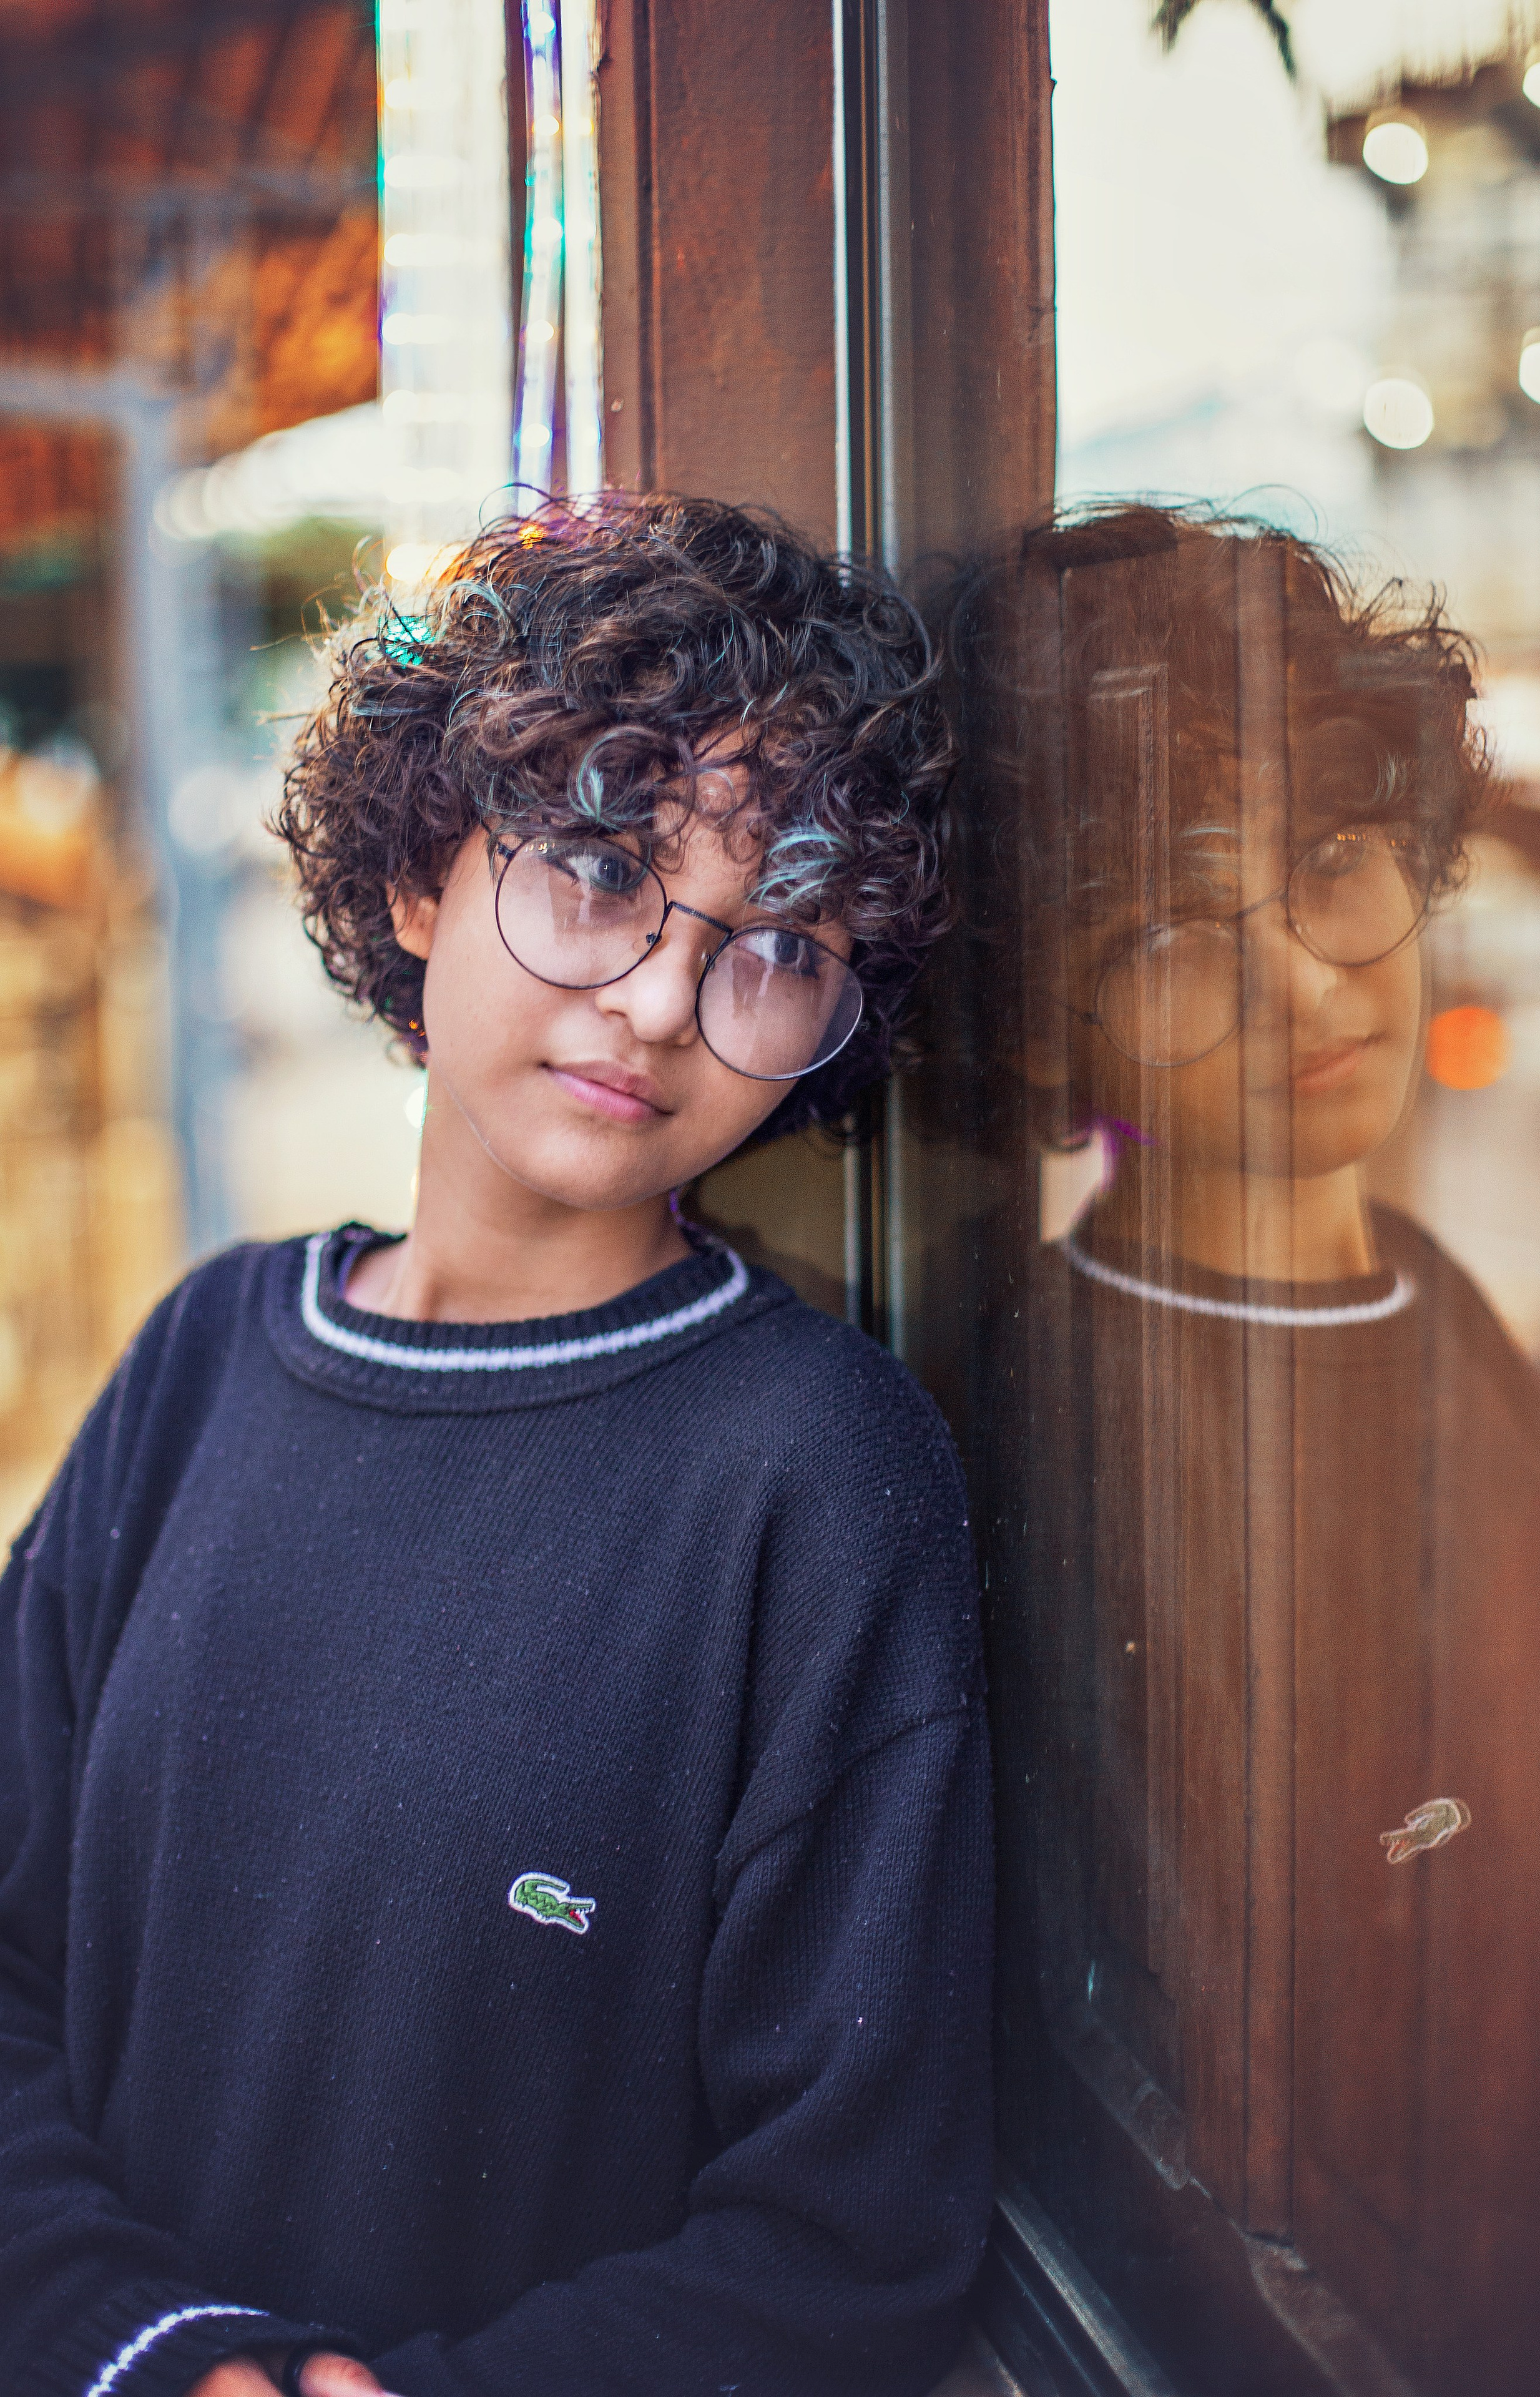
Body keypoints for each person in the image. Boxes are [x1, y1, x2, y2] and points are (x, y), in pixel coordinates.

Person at [0, 496, 993, 2397]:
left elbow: (849, 2236)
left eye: (777, 942)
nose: (659, 1000)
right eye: (603, 870)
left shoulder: (819, 1478)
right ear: (416, 876)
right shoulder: (203, 1360)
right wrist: (149, 2348)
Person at [988, 505, 1540, 2395]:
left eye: (1332, 866)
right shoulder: (1063, 1414)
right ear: (1045, 1029)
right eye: (1175, 934)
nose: (1312, 988)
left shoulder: (1440, 1298)